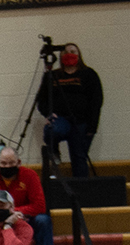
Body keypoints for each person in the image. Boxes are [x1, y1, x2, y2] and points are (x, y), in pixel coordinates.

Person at [37, 43, 103, 177]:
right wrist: (48, 113)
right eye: (65, 52)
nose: (69, 54)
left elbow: (96, 101)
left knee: (79, 157)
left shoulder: (88, 74)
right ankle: (54, 152)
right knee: (51, 130)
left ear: (79, 55)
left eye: (73, 51)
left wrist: (92, 127)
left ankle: (81, 191)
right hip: (61, 119)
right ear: (60, 56)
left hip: (81, 122)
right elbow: (41, 99)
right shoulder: (53, 75)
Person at [0, 148, 53, 245]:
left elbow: (39, 206)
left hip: (23, 218)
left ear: (19, 163)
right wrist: (7, 214)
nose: (7, 166)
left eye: (11, 163)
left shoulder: (30, 175)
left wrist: (12, 213)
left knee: (43, 220)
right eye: (3, 163)